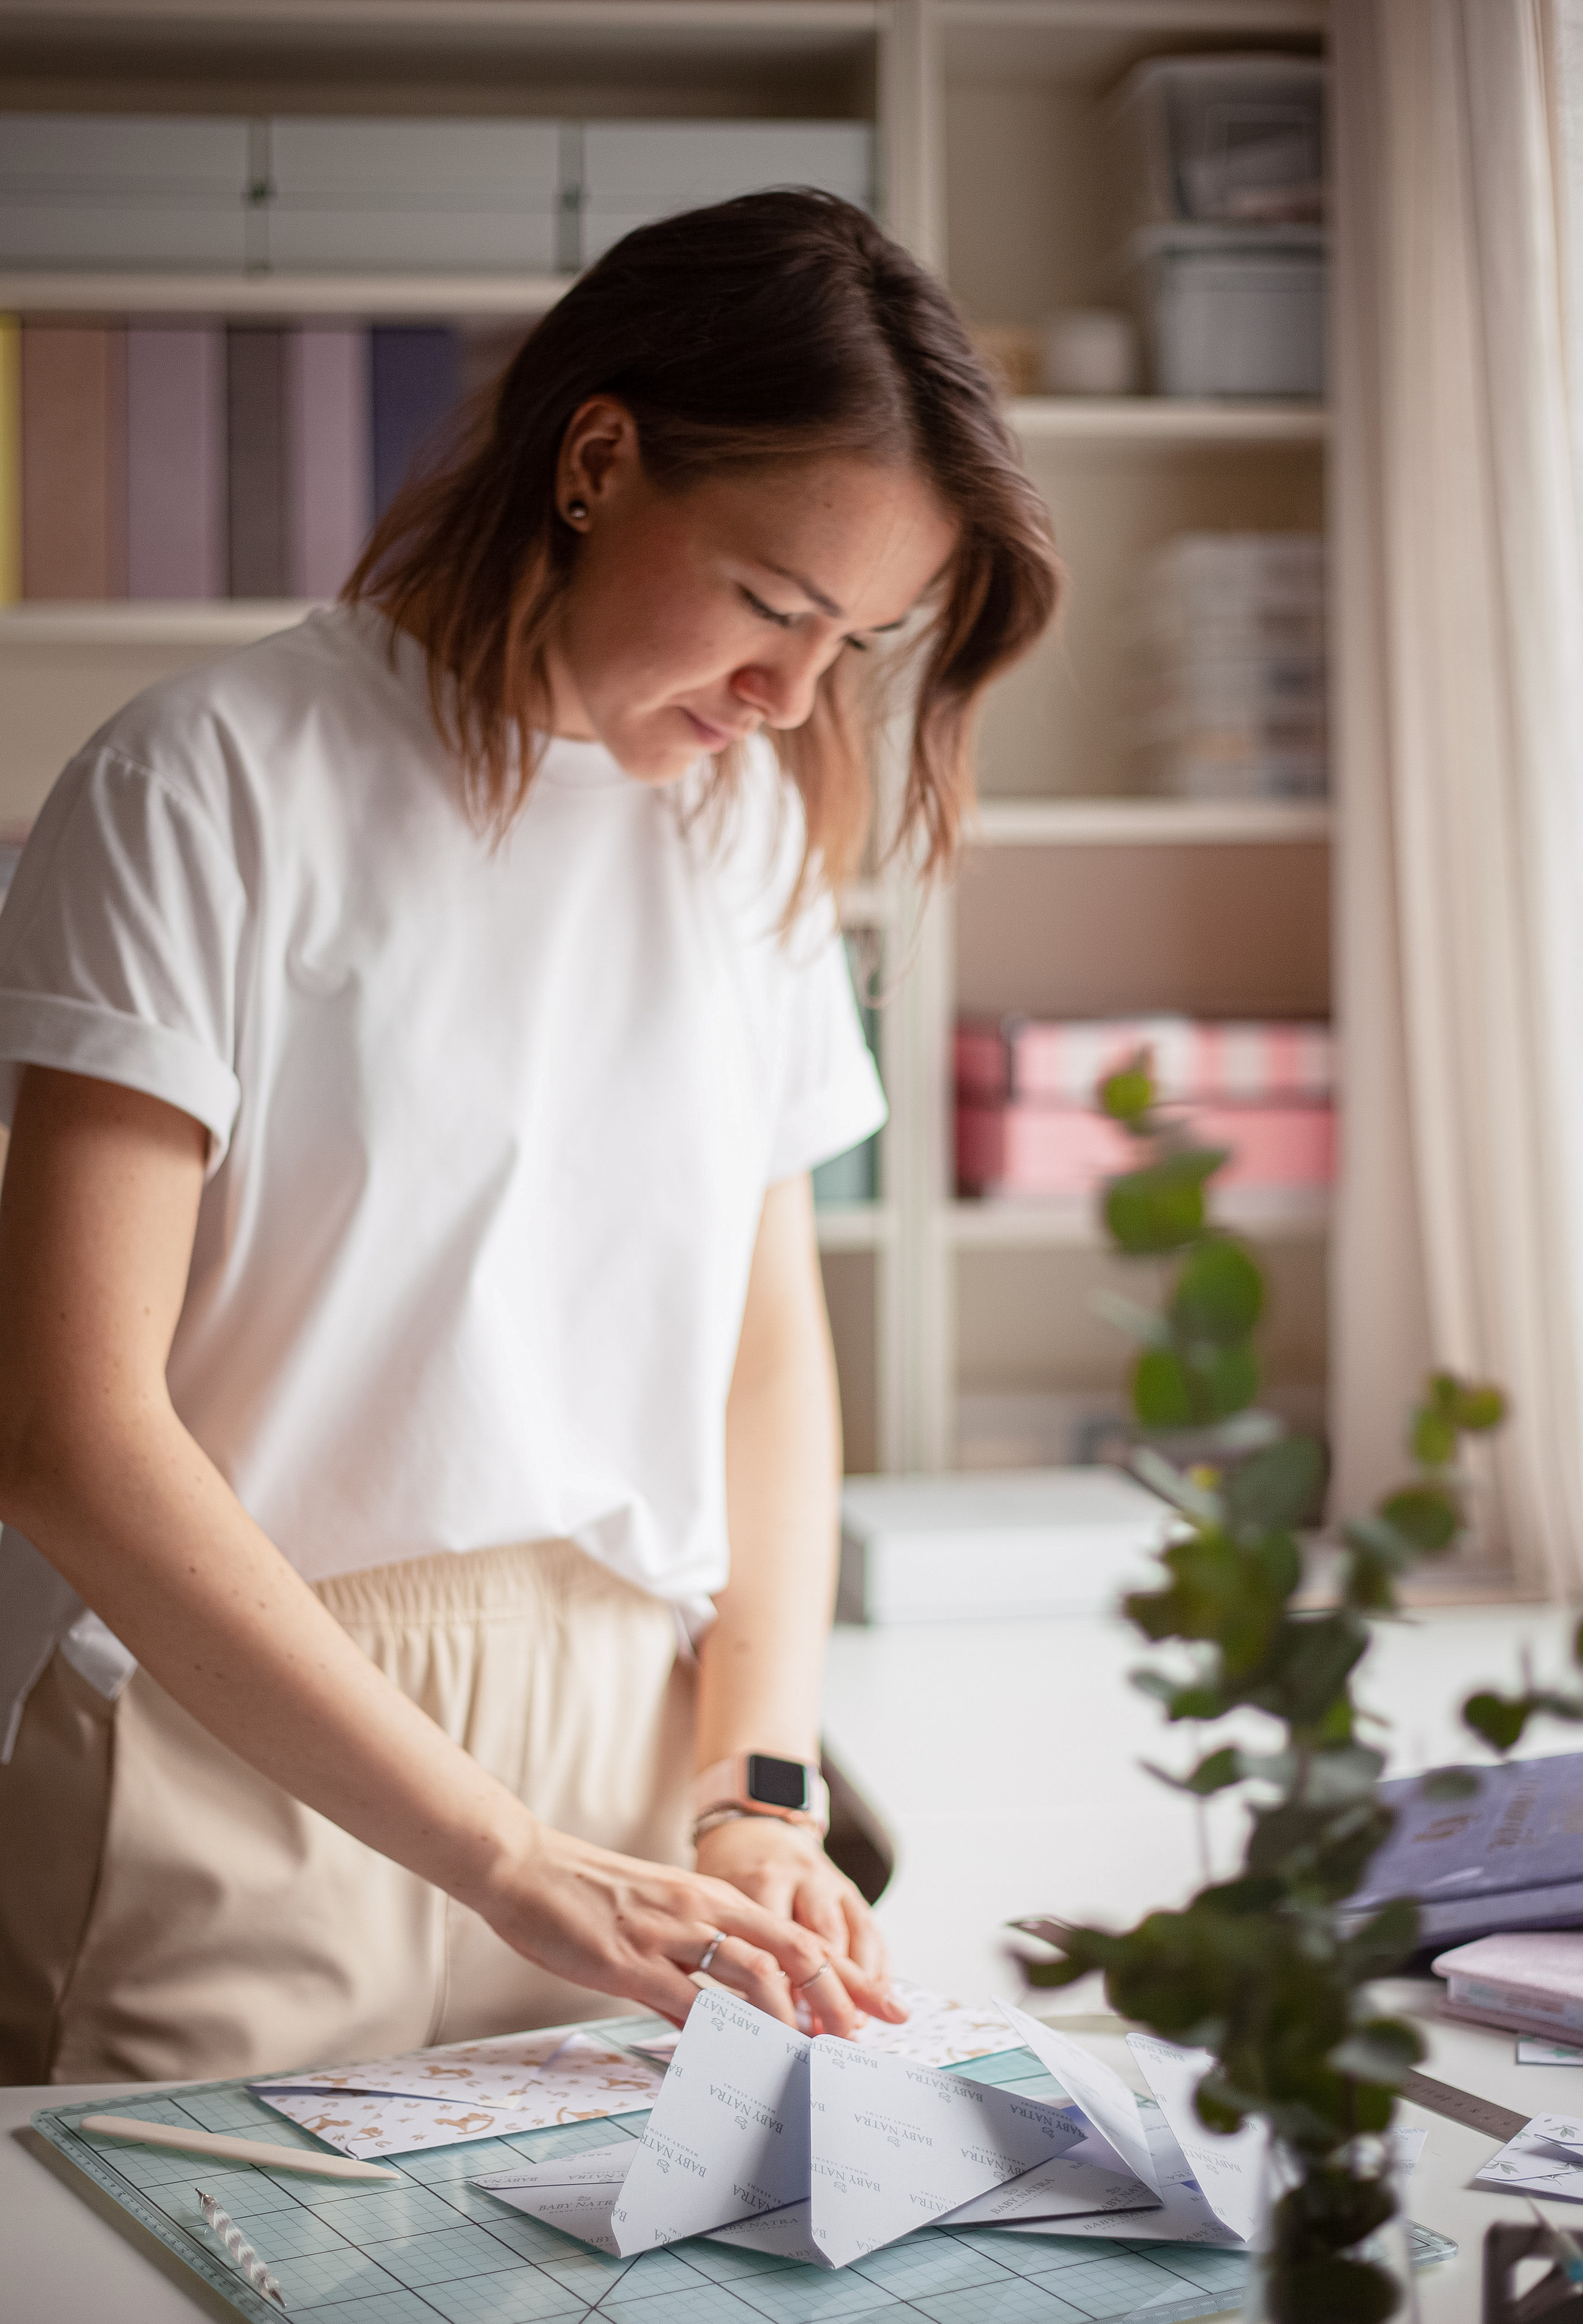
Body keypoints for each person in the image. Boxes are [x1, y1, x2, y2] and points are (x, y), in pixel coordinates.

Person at [0, 191, 1058, 2085]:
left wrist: (762, 1794)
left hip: (630, 1755)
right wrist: (494, 1851)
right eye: (769, 604)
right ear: (595, 458)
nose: (791, 701)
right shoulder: (208, 786)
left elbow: (766, 1373)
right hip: (253, 1744)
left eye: (856, 646)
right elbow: (64, 1430)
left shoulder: (742, 841)